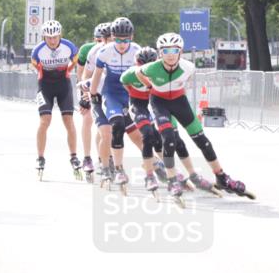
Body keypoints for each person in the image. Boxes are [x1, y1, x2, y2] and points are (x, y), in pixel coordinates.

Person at [135, 33, 253, 199]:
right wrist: (149, 86)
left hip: (179, 101)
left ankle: (221, 176)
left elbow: (187, 79)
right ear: (160, 52)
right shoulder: (152, 68)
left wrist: (178, 86)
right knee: (168, 138)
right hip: (160, 103)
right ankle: (172, 179)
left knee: (202, 141)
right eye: (165, 50)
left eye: (174, 50)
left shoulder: (188, 66)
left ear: (180, 51)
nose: (170, 54)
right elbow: (139, 73)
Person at [89, 17, 142, 190]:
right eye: (118, 39)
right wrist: (93, 94)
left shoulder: (136, 51)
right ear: (112, 37)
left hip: (128, 93)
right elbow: (96, 75)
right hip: (110, 93)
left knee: (140, 133)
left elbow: (143, 75)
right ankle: (110, 168)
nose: (121, 43)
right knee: (114, 127)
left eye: (125, 39)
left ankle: (158, 165)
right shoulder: (104, 51)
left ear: (131, 37)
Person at [30, 20, 79, 178]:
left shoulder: (69, 46)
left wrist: (67, 71)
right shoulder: (38, 50)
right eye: (49, 38)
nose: (52, 41)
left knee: (68, 121)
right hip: (45, 86)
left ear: (60, 35)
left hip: (63, 84)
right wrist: (46, 72)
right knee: (45, 121)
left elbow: (76, 59)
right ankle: (40, 157)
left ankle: (73, 156)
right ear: (44, 37)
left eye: (55, 37)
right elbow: (35, 65)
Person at [75, 23, 111, 177]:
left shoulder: (115, 50)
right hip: (87, 85)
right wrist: (85, 96)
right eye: (98, 40)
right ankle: (87, 157)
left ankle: (103, 155)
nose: (101, 43)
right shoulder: (86, 50)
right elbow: (82, 74)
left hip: (105, 87)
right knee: (88, 118)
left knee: (105, 124)